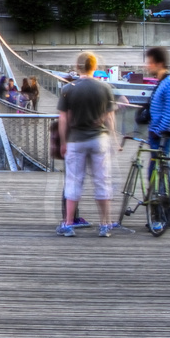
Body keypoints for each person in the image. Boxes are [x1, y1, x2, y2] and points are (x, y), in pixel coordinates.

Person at [56, 51, 117, 237]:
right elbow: (109, 117)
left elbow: (63, 119)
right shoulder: (105, 88)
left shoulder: (69, 89)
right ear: (94, 67)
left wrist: (63, 141)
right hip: (99, 139)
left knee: (73, 182)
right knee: (102, 180)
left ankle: (68, 224)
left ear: (77, 67)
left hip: (76, 140)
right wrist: (113, 139)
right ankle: (105, 224)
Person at [145, 46, 170, 230]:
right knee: (154, 173)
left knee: (159, 177)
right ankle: (160, 217)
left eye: (150, 62)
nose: (147, 65)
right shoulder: (163, 81)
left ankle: (163, 218)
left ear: (159, 63)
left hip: (162, 135)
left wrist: (158, 131)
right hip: (158, 133)